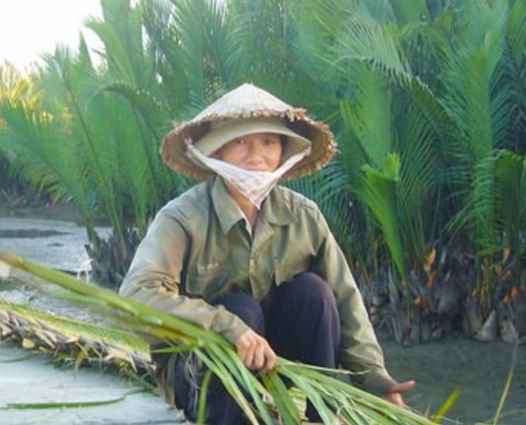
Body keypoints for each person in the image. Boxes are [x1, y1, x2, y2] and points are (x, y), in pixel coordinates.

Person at [119, 83, 415, 424]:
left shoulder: (303, 215)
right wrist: (224, 325)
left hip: (277, 363)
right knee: (240, 309)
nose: (256, 155)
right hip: (201, 374)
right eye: (241, 142)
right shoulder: (183, 219)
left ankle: (323, 414)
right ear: (217, 152)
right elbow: (136, 296)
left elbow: (346, 300)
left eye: (268, 142)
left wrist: (376, 380)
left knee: (315, 293)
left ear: (282, 151)